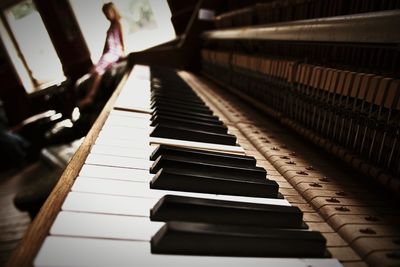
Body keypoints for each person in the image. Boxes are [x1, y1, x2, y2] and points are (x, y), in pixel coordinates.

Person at [78, 2, 125, 109]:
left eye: (107, 13)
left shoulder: (118, 24)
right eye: (105, 14)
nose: (106, 16)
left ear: (113, 11)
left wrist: (123, 55)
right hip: (108, 53)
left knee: (99, 71)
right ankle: (89, 96)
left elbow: (121, 43)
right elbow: (106, 47)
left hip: (115, 53)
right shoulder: (110, 27)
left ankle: (91, 97)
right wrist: (99, 60)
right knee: (94, 70)